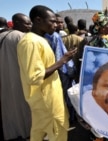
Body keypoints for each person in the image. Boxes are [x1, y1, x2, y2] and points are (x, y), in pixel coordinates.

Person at [17, 5, 77, 141]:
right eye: (52, 21)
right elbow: (35, 76)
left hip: (44, 100)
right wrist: (62, 61)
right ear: (38, 20)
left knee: (38, 133)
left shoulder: (38, 40)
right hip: (47, 102)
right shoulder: (31, 42)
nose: (56, 25)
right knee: (58, 133)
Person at [0, 13, 32, 141]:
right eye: (27, 23)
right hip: (20, 80)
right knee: (23, 111)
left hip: (4, 80)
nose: (30, 26)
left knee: (9, 110)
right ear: (17, 23)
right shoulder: (22, 37)